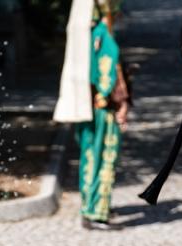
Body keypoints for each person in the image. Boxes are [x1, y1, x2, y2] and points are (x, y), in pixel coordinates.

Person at [76, 2, 130, 230]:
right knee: (102, 157)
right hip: (102, 109)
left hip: (89, 107)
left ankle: (90, 206)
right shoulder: (103, 36)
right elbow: (107, 75)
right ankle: (96, 211)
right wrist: (119, 103)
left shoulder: (91, 34)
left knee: (90, 155)